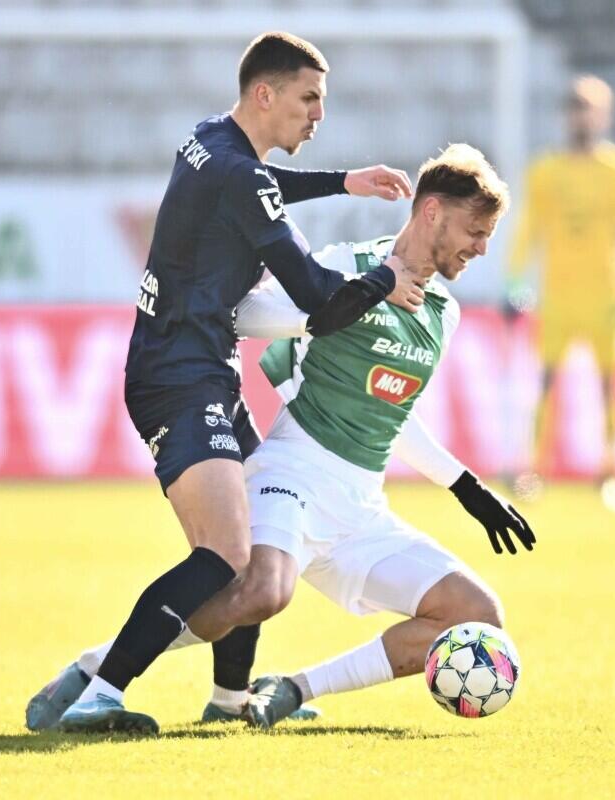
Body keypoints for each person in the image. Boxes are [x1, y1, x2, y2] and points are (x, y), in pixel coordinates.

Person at [42, 144, 536, 730]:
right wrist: (344, 302)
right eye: (475, 231)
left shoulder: (442, 313)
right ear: (431, 211)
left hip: (360, 511)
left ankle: (291, 690)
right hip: (292, 479)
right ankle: (98, 669)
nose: (481, 247)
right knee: (262, 593)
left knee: (476, 614)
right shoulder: (349, 264)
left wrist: (467, 488)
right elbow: (244, 315)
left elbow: (391, 412)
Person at [26, 31, 421, 735]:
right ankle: (99, 692)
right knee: (225, 554)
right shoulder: (241, 177)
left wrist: (340, 181)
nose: (317, 116)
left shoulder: (209, 140)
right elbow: (319, 301)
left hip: (197, 366)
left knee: (256, 536)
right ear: (264, 94)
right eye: (308, 99)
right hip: (179, 377)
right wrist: (386, 280)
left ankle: (230, 698)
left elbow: (256, 187)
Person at [506, 75, 615, 508]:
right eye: (574, 108)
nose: (580, 116)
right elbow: (528, 229)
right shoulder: (545, 171)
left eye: (588, 108)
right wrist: (514, 280)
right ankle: (533, 469)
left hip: (607, 292)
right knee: (546, 383)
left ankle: (610, 469)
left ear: (603, 115)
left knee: (610, 383)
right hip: (557, 294)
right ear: (565, 116)